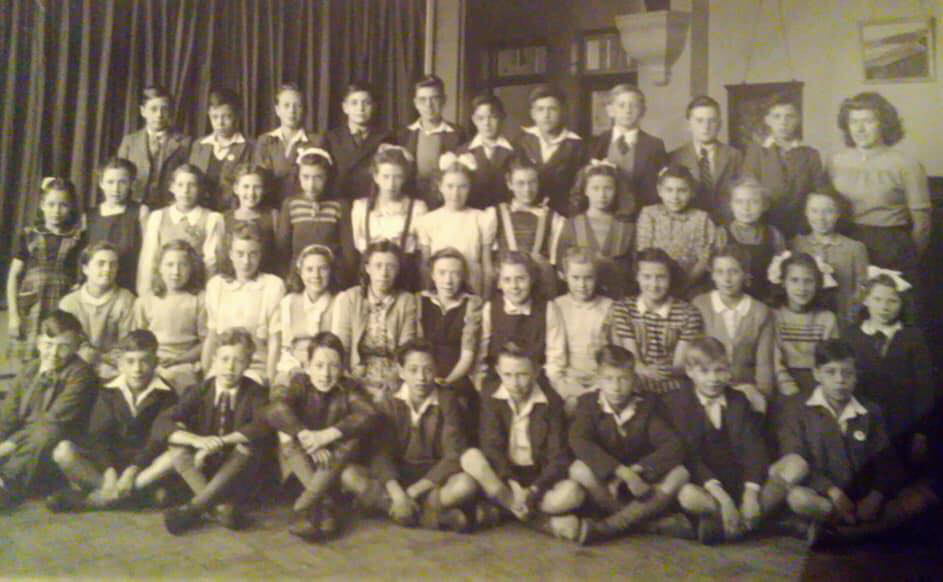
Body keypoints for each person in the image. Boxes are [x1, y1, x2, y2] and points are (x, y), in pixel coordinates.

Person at [778, 339, 919, 545]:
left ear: (856, 376)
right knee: (798, 498)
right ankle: (848, 526)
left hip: (860, 495)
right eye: (830, 372)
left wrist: (875, 497)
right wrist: (832, 492)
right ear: (816, 374)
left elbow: (886, 461)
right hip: (824, 494)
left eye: (847, 373)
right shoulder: (798, 408)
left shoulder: (870, 411)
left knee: (912, 502)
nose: (840, 380)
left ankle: (835, 528)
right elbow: (796, 457)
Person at [663, 338, 794, 543]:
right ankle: (746, 523)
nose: (713, 379)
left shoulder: (738, 400)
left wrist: (751, 493)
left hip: (738, 479)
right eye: (704, 371)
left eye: (720, 370)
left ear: (729, 370)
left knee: (790, 470)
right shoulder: (679, 403)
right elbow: (690, 458)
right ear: (689, 371)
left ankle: (726, 525)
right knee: (687, 495)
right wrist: (723, 500)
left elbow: (754, 449)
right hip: (706, 484)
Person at [350, 339, 477, 532]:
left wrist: (412, 492)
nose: (421, 378)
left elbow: (452, 455)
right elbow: (381, 454)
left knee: (466, 484)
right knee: (349, 476)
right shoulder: (389, 401)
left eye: (428, 370)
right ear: (401, 372)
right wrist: (397, 493)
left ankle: (400, 511)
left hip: (432, 479)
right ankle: (427, 515)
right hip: (398, 475)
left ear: (436, 370)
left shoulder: (447, 400)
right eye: (413, 370)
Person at [461, 343, 584, 541]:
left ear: (536, 371)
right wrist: (513, 485)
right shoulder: (490, 396)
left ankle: (503, 510)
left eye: (522, 375)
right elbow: (490, 447)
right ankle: (540, 522)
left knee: (573, 493)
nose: (515, 383)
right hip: (503, 476)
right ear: (498, 371)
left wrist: (534, 490)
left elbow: (558, 456)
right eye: (508, 375)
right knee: (470, 458)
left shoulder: (551, 402)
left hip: (538, 479)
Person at [46, 330, 180, 512]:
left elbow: (158, 439)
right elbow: (98, 435)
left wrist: (133, 469)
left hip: (144, 464)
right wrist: (109, 472)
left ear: (156, 362)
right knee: (63, 452)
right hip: (110, 463)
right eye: (130, 361)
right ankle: (126, 496)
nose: (137, 369)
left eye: (145, 361)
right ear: (120, 364)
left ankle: (99, 500)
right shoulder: (107, 390)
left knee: (176, 454)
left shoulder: (167, 393)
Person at [569, 345, 690, 545]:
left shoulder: (647, 405)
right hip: (608, 484)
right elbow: (579, 441)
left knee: (680, 473)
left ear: (634, 379)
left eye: (623, 379)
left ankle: (611, 526)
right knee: (578, 469)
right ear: (598, 379)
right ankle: (649, 524)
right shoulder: (588, 404)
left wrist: (637, 470)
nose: (616, 387)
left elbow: (673, 445)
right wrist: (621, 472)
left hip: (642, 485)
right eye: (609, 379)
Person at [265, 331, 378, 541]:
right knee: (284, 431)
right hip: (303, 461)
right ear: (307, 365)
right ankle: (324, 505)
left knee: (352, 438)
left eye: (333, 366)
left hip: (335, 462)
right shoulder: (299, 382)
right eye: (318, 365)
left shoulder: (349, 388)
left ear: (342, 368)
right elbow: (274, 410)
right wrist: (305, 436)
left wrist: (326, 436)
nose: (325, 374)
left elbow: (369, 414)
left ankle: (305, 504)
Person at [160, 328, 272, 535]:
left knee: (248, 445)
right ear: (214, 360)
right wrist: (196, 441)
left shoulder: (256, 392)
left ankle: (193, 509)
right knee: (176, 446)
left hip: (237, 473)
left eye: (238, 361)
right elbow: (165, 421)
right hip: (205, 469)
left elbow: (261, 425)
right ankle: (218, 508)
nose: (230, 367)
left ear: (248, 363)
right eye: (225, 359)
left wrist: (221, 441)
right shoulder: (201, 389)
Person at [827, 92, 930, 284]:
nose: (860, 129)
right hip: (845, 239)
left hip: (890, 245)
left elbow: (922, 226)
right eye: (854, 121)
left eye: (868, 121)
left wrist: (908, 257)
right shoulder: (835, 161)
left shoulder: (907, 164)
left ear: (884, 124)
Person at [0, 311, 97, 509]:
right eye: (49, 344)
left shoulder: (81, 374)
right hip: (26, 443)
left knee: (48, 433)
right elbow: (8, 416)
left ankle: (7, 483)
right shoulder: (30, 369)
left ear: (76, 346)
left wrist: (10, 443)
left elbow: (54, 420)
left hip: (59, 444)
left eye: (64, 346)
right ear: (38, 343)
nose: (53, 353)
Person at [844, 269, 935, 467]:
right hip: (863, 422)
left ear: (902, 304)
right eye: (877, 299)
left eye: (892, 301)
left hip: (902, 423)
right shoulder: (851, 336)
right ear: (865, 300)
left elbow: (924, 387)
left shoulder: (912, 337)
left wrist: (921, 431)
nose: (884, 307)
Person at [6, 178, 84, 365]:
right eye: (51, 204)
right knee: (28, 358)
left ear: (71, 207)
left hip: (61, 301)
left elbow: (81, 273)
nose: (56, 211)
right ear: (42, 205)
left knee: (57, 352)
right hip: (32, 303)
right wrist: (14, 315)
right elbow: (13, 276)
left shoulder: (77, 238)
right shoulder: (29, 235)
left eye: (63, 205)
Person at [331, 241, 419, 401]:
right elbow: (342, 344)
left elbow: (407, 348)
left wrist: (392, 380)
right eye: (378, 266)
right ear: (367, 268)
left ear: (398, 270)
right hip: (357, 372)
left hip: (394, 375)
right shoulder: (351, 297)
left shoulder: (406, 300)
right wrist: (349, 376)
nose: (384, 273)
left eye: (391, 266)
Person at [609, 248, 704, 394]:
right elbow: (632, 361)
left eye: (661, 277)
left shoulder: (689, 313)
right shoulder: (623, 309)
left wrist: (662, 371)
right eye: (647, 277)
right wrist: (646, 371)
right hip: (635, 389)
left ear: (670, 278)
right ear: (637, 277)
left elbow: (680, 365)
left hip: (674, 389)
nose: (654, 284)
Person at [203, 222, 285, 386]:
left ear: (260, 254)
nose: (246, 261)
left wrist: (270, 379)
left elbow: (275, 340)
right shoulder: (216, 285)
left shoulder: (273, 285)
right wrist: (205, 375)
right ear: (230, 254)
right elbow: (212, 336)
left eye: (253, 254)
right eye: (240, 254)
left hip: (256, 367)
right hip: (222, 367)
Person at [692, 246, 774, 403]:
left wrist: (762, 396)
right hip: (706, 387)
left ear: (745, 274)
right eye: (720, 272)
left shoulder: (760, 312)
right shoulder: (700, 305)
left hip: (745, 390)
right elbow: (692, 356)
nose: (726, 279)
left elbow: (764, 364)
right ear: (712, 275)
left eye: (734, 272)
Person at [416, 248, 483, 440]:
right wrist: (428, 378)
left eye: (455, 274)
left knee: (456, 408)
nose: (448, 280)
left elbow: (468, 355)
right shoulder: (419, 301)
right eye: (442, 273)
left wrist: (446, 382)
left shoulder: (471, 304)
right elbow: (416, 347)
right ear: (432, 275)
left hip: (457, 376)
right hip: (423, 372)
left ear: (463, 277)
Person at [476, 251, 565, 391]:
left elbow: (556, 358)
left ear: (532, 279)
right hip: (498, 382)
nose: (514, 286)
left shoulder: (549, 309)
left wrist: (545, 387)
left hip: (538, 383)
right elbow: (480, 355)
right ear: (499, 283)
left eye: (521, 279)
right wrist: (483, 383)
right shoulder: (490, 309)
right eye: (507, 280)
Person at [741, 93, 826, 239]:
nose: (783, 122)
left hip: (801, 229)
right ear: (767, 120)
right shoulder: (756, 152)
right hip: (765, 227)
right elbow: (750, 190)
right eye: (777, 116)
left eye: (789, 116)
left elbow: (818, 192)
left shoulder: (810, 154)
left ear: (798, 119)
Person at [133, 240, 207, 394]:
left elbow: (205, 343)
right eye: (169, 265)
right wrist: (152, 359)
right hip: (152, 361)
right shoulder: (145, 301)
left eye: (183, 265)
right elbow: (138, 341)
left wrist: (180, 359)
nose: (176, 271)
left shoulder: (199, 299)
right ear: (159, 267)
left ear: (192, 268)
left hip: (185, 362)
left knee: (173, 378)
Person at [416, 153, 496, 295]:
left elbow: (487, 266)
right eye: (450, 186)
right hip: (441, 290)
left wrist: (486, 300)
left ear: (470, 187)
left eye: (462, 187)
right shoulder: (428, 220)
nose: (455, 193)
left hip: (472, 288)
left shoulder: (482, 218)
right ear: (440, 186)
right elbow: (425, 266)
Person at [137, 164, 224, 295]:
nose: (185, 191)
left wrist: (208, 296)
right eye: (180, 185)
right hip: (163, 291)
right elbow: (149, 260)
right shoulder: (158, 217)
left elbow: (212, 264)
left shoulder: (212, 219)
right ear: (172, 187)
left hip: (196, 292)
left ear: (200, 188)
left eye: (192, 185)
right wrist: (146, 293)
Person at [350, 145, 427, 290]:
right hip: (370, 279)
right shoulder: (361, 208)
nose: (391, 184)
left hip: (405, 278)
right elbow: (358, 247)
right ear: (376, 177)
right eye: (386, 177)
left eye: (397, 177)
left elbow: (422, 253)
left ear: (404, 178)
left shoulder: (417, 208)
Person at [555, 161, 635, 299]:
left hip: (618, 297)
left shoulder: (626, 227)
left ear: (616, 191)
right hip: (582, 297)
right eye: (595, 188)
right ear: (585, 190)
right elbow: (561, 265)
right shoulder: (572, 224)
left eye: (608, 188)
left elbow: (634, 266)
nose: (602, 195)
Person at [636, 165, 719, 297]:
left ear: (692, 192)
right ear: (659, 191)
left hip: (689, 285)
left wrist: (685, 284)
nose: (675, 196)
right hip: (654, 283)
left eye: (682, 190)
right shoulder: (649, 214)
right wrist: (659, 282)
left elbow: (704, 258)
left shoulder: (701, 218)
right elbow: (645, 251)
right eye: (669, 190)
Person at [275, 148, 355, 283]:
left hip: (332, 277)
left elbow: (348, 252)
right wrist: (288, 278)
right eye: (305, 177)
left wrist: (341, 278)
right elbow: (282, 250)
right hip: (298, 277)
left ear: (328, 177)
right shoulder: (291, 205)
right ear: (298, 176)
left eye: (318, 177)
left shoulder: (339, 206)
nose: (311, 185)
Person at [790, 190, 869, 327]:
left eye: (828, 211)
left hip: (843, 322)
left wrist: (853, 314)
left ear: (838, 214)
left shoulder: (854, 248)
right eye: (814, 211)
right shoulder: (796, 245)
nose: (820, 218)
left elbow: (863, 289)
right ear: (806, 212)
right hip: (805, 322)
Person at [59, 242, 136, 381]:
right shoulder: (69, 303)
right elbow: (70, 344)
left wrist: (109, 362)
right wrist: (97, 363)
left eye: (113, 264)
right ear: (85, 268)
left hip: (114, 366)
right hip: (79, 365)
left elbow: (127, 343)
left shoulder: (126, 299)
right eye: (101, 263)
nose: (107, 269)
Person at [768, 251, 839, 398]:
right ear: (783, 283)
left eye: (808, 281)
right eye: (794, 280)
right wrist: (784, 381)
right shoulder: (773, 316)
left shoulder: (827, 318)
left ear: (817, 284)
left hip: (819, 380)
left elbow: (831, 358)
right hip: (781, 380)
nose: (802, 288)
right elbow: (773, 357)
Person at [586, 84, 667, 212]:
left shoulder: (654, 145)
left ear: (643, 111)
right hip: (604, 214)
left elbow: (660, 187)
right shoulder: (595, 143)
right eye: (621, 105)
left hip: (641, 213)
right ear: (610, 110)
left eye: (634, 105)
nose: (627, 111)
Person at [551, 248, 614, 411]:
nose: (582, 285)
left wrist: (599, 383)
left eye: (588, 278)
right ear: (564, 276)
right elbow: (554, 354)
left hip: (599, 379)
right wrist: (564, 385)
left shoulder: (608, 307)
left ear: (596, 277)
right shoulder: (557, 306)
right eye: (575, 278)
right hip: (568, 378)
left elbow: (612, 352)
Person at [492, 157, 565, 297]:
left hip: (540, 288)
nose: (527, 189)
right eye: (520, 183)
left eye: (532, 182)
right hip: (506, 289)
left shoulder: (552, 217)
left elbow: (554, 264)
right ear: (509, 184)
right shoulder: (497, 214)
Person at [268, 244, 337, 387]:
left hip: (326, 372)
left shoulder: (339, 302)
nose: (316, 275)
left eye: (323, 269)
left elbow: (337, 348)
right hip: (292, 369)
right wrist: (292, 369)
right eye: (309, 269)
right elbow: (285, 347)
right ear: (300, 272)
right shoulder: (289, 302)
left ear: (331, 271)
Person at [669, 95, 743, 223]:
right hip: (686, 224)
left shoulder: (734, 156)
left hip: (726, 224)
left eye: (712, 121)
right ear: (689, 124)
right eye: (699, 120)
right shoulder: (674, 157)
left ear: (719, 124)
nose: (706, 127)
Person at [514, 84, 585, 216]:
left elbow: (579, 192)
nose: (546, 115)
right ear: (533, 114)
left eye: (552, 109)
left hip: (562, 215)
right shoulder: (521, 142)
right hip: (526, 214)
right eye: (540, 109)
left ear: (563, 111)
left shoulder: (577, 147)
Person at [395, 75, 466, 206]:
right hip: (411, 203)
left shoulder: (458, 134)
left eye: (434, 98)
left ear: (443, 100)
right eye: (423, 100)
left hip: (446, 203)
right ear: (415, 103)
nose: (429, 105)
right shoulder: (403, 135)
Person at [117, 85, 192, 208]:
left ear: (171, 112)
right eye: (153, 109)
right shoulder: (130, 141)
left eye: (164, 109)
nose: (159, 115)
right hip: (135, 206)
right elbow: (120, 175)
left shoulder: (184, 142)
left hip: (169, 207)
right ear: (143, 111)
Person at [318, 82, 394, 201]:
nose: (360, 109)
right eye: (354, 103)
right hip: (339, 202)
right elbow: (321, 174)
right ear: (345, 108)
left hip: (372, 202)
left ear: (374, 106)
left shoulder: (386, 138)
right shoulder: (331, 138)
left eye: (366, 103)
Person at [716, 177, 786, 301]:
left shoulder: (774, 235)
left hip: (764, 299)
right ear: (731, 205)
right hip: (729, 300)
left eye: (754, 202)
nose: (746, 208)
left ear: (764, 205)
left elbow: (781, 272)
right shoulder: (721, 234)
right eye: (739, 202)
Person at [85, 157, 149, 291]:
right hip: (97, 284)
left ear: (131, 184)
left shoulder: (140, 212)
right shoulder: (90, 215)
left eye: (122, 182)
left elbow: (148, 253)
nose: (116, 188)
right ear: (101, 183)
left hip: (130, 282)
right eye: (110, 182)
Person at [188, 88, 254, 210]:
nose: (220, 123)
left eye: (227, 117)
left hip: (233, 212)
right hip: (202, 212)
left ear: (237, 116)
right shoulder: (199, 145)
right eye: (215, 117)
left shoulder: (250, 147)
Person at [252, 83, 315, 205]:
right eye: (286, 105)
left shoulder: (314, 141)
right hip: (270, 207)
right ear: (277, 110)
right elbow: (260, 179)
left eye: (297, 106)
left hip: (303, 206)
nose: (292, 111)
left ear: (304, 110)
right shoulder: (265, 141)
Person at [455, 93, 514, 210]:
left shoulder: (515, 151)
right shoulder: (462, 152)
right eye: (481, 118)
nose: (487, 123)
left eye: (492, 117)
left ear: (502, 117)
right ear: (474, 120)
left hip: (506, 214)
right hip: (472, 213)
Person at [219, 164, 280, 274]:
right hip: (233, 277)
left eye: (257, 187)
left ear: (264, 190)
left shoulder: (273, 216)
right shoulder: (225, 218)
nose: (251, 193)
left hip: (266, 277)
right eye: (246, 187)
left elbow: (280, 254)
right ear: (236, 189)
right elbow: (221, 255)